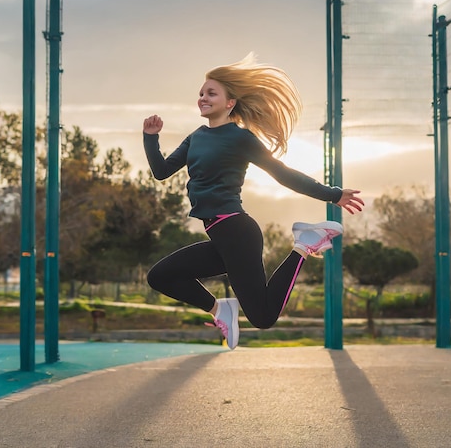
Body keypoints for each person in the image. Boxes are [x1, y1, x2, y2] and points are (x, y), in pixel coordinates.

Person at [142, 54, 364, 349]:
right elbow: (161, 172)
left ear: (230, 102)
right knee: (160, 277)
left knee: (263, 317)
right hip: (220, 236)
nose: (202, 98)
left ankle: (303, 245)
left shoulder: (240, 138)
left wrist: (333, 194)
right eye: (201, 93)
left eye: (211, 93)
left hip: (236, 232)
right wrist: (150, 138)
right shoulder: (196, 137)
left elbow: (283, 174)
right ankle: (221, 309)